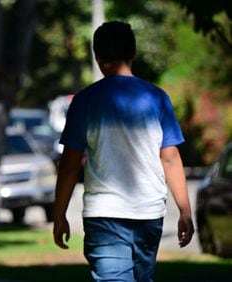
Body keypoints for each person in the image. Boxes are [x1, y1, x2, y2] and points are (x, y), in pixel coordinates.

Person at [52, 21, 194, 282]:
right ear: (134, 54)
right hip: (149, 214)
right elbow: (171, 158)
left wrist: (59, 214)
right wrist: (185, 210)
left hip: (103, 214)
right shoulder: (157, 98)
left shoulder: (85, 101)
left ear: (97, 57)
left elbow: (70, 163)